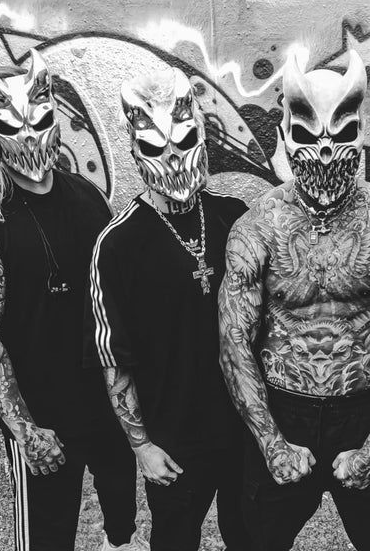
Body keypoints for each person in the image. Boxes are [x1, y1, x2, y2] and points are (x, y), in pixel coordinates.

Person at [217, 50, 370, 551]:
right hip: (283, 405)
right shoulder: (256, 228)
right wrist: (271, 444)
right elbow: (234, 342)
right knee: (256, 540)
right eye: (310, 136)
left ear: (361, 132)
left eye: (342, 134)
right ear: (285, 133)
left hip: (363, 406)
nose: (327, 152)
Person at [0, 50, 145, 551]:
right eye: (14, 124)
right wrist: (24, 429)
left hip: (105, 402)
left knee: (122, 518)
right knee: (48, 537)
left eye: (39, 119)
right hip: (42, 414)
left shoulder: (87, 196)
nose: (30, 135)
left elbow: (115, 298)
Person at [88, 67, 251, 551]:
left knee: (250, 536)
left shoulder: (233, 216)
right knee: (176, 540)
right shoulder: (117, 245)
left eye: (184, 141)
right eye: (157, 147)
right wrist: (142, 445)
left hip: (242, 427)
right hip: (175, 439)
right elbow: (113, 356)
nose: (174, 157)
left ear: (202, 136)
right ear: (136, 150)